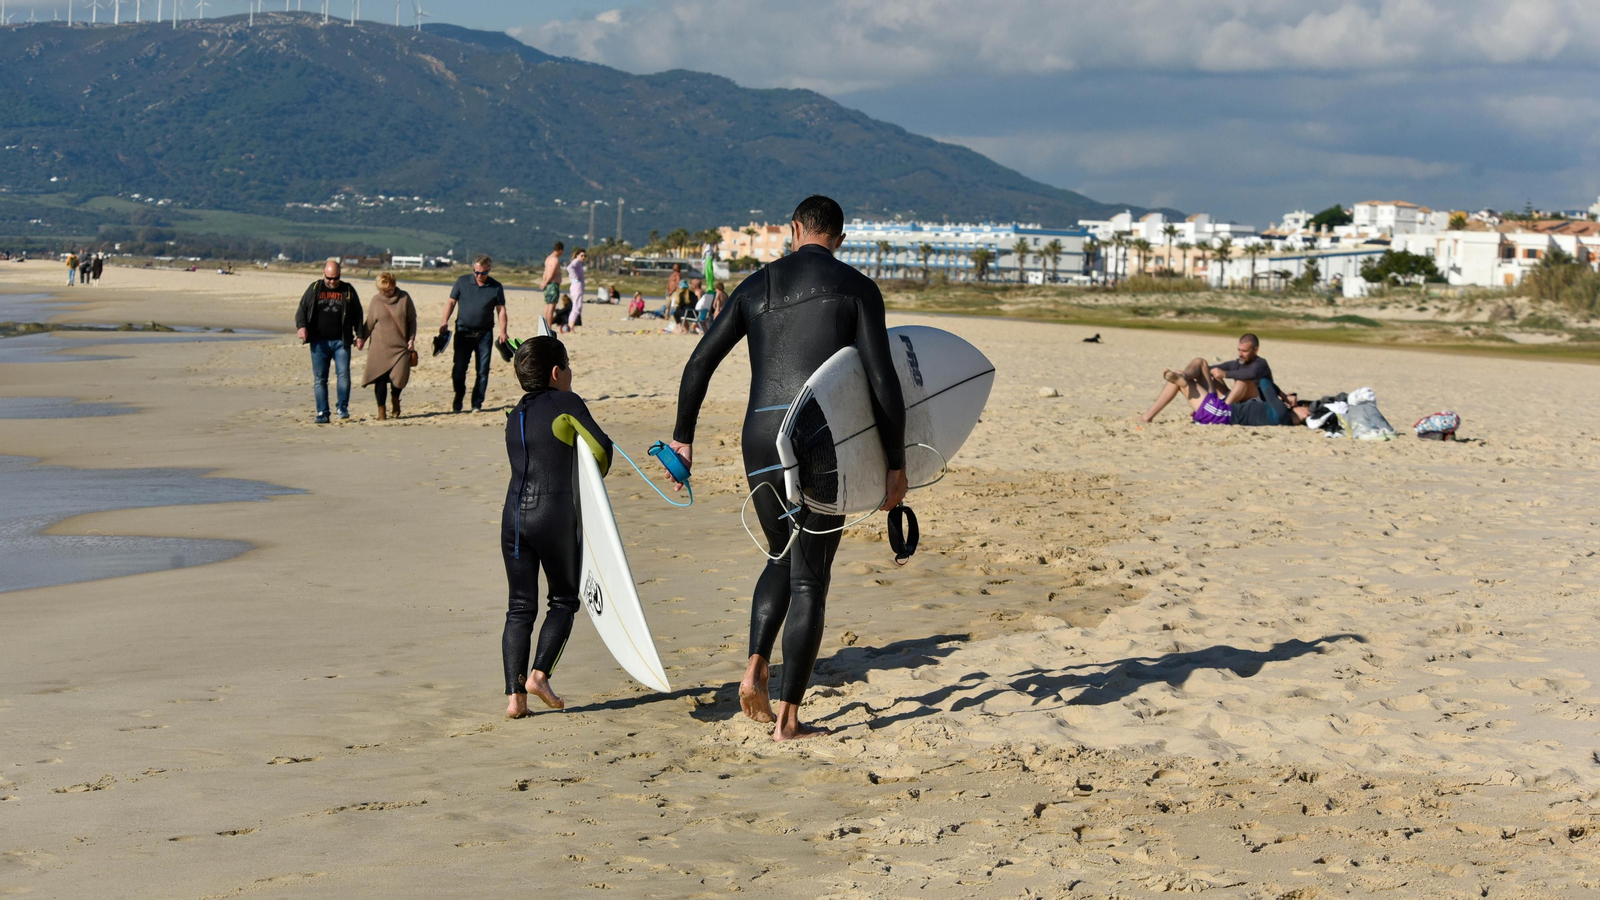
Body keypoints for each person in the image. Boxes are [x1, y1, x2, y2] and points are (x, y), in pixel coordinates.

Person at [669, 195, 907, 741]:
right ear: (839, 238)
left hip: (759, 437)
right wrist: (895, 463)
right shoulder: (858, 288)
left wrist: (683, 439)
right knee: (809, 578)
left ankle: (755, 665)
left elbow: (699, 362)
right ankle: (788, 720)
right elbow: (881, 380)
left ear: (794, 229)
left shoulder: (756, 285)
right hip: (819, 440)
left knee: (780, 553)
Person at [501, 336, 613, 717]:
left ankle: (515, 698)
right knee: (563, 600)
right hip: (553, 515)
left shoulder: (514, 414)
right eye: (567, 364)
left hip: (513, 519)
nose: (570, 371)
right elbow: (602, 451)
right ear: (555, 372)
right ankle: (539, 675)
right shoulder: (567, 403)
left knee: (519, 607)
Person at [1141, 333, 1276, 423]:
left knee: (1241, 382)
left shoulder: (1261, 364)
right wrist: (1200, 373)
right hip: (1231, 400)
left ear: (1255, 350)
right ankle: (1184, 377)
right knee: (1200, 363)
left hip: (1247, 404)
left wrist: (1225, 374)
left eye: (1245, 351)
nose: (1240, 354)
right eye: (1239, 350)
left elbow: (1251, 374)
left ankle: (1216, 405)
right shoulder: (1237, 363)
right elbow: (1211, 369)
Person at [295, 259, 366, 423]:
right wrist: (301, 327)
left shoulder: (348, 290)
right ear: (323, 274)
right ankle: (323, 412)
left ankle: (342, 407)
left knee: (344, 375)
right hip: (318, 342)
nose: (332, 282)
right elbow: (302, 310)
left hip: (341, 341)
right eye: (329, 278)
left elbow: (358, 314)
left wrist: (360, 335)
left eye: (336, 278)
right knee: (320, 379)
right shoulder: (315, 288)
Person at [439, 254, 508, 413]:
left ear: (489, 270)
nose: (479, 276)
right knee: (459, 369)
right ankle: (458, 397)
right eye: (476, 272)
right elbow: (451, 302)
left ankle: (477, 403)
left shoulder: (496, 287)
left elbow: (501, 310)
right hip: (463, 332)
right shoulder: (462, 281)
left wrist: (503, 331)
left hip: (485, 334)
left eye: (483, 273)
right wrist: (444, 321)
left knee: (483, 371)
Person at [361, 272, 416, 421]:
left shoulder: (404, 298)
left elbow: (412, 320)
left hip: (401, 347)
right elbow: (369, 324)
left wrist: (411, 339)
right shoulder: (376, 301)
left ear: (394, 285)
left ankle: (395, 398)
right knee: (380, 379)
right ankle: (381, 411)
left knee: (399, 379)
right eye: (383, 290)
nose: (386, 293)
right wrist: (362, 339)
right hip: (379, 348)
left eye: (389, 290)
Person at [539, 242, 564, 331]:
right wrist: (546, 282)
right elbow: (551, 273)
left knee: (547, 305)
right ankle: (549, 326)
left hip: (548, 284)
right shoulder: (555, 260)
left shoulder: (548, 258)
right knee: (551, 306)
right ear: (560, 250)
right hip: (552, 284)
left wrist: (544, 282)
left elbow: (545, 272)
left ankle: (545, 325)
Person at [564, 248, 586, 332]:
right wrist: (575, 276)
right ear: (577, 255)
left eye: (584, 256)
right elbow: (569, 268)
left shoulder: (579, 263)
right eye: (582, 255)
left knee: (578, 307)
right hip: (576, 285)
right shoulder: (576, 261)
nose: (583, 257)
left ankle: (571, 326)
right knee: (576, 307)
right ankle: (570, 326)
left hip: (578, 286)